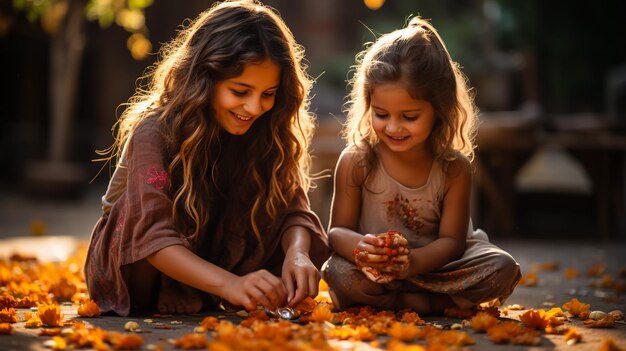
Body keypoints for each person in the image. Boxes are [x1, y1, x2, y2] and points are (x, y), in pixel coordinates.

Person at [84, 0, 329, 317]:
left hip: (212, 253)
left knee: (274, 207)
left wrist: (297, 253)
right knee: (143, 213)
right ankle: (185, 285)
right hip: (136, 269)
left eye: (268, 94)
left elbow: (295, 211)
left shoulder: (266, 130)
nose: (254, 108)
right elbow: (150, 235)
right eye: (240, 92)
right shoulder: (154, 132)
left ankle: (197, 286)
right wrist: (231, 286)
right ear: (204, 79)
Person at [322, 16, 520, 315]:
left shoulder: (454, 168)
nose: (393, 127)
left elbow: (453, 242)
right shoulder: (357, 161)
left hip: (439, 270)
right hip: (375, 273)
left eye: (409, 116)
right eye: (381, 114)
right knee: (338, 272)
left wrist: (412, 263)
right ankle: (426, 305)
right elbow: (337, 231)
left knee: (501, 267)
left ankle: (411, 301)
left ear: (439, 110)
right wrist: (365, 250)